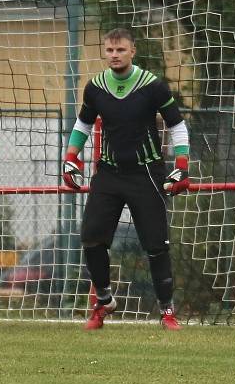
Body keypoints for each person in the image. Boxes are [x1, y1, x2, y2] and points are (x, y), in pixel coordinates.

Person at [61, 27, 190, 331]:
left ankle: (167, 311)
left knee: (156, 245)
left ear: (133, 51)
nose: (114, 55)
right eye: (109, 50)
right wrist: (71, 156)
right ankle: (104, 301)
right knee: (91, 237)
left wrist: (182, 164)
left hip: (146, 173)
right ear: (104, 52)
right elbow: (83, 123)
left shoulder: (153, 86)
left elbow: (178, 126)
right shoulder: (95, 87)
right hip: (109, 173)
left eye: (120, 50)